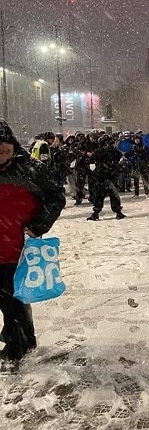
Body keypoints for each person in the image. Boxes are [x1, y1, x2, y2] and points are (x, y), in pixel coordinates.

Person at [0, 120, 66, 364]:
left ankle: (17, 346)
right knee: (8, 300)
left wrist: (38, 226)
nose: (0, 151)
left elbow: (56, 197)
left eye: (4, 145)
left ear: (12, 144)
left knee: (13, 300)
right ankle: (22, 340)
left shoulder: (30, 168)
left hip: (18, 250)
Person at [87, 134, 126, 221]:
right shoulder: (113, 151)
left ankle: (96, 213)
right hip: (109, 176)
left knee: (101, 195)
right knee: (113, 195)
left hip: (103, 176)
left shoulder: (100, 151)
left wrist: (94, 170)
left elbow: (91, 162)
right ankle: (117, 212)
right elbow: (120, 160)